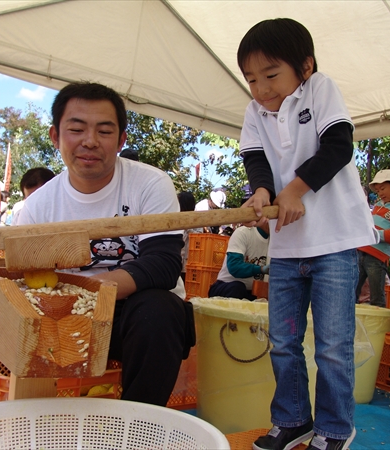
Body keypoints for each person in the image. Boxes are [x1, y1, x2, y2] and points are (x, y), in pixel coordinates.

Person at [237, 18, 377, 450]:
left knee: (333, 347)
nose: (261, 89)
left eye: (271, 75)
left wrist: (295, 190)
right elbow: (257, 161)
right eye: (251, 79)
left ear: (305, 66)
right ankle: (294, 419)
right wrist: (262, 193)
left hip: (333, 243)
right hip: (286, 247)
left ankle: (336, 428)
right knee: (282, 340)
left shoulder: (320, 91)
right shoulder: (254, 111)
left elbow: (339, 147)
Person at [16, 82, 193, 407]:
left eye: (104, 131)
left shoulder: (150, 184)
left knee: (160, 310)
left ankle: (138, 429)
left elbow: (164, 265)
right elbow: (23, 277)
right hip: (67, 318)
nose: (90, 141)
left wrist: (84, 291)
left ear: (121, 139)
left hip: (131, 315)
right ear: (56, 136)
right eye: (77, 129)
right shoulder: (37, 207)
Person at [356, 169, 390, 307]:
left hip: (377, 256)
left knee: (376, 294)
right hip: (362, 250)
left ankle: (377, 326)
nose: (380, 193)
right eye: (378, 190)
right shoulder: (379, 205)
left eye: (383, 188)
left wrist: (371, 234)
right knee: (352, 291)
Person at [208, 223, 270, 301]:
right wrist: (261, 269)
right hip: (227, 287)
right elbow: (234, 266)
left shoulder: (275, 242)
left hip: (251, 293)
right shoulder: (243, 233)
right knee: (237, 288)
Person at [177, 191, 202, 282]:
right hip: (176, 260)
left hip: (189, 262)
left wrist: (187, 228)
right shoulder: (175, 218)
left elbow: (199, 237)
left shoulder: (196, 220)